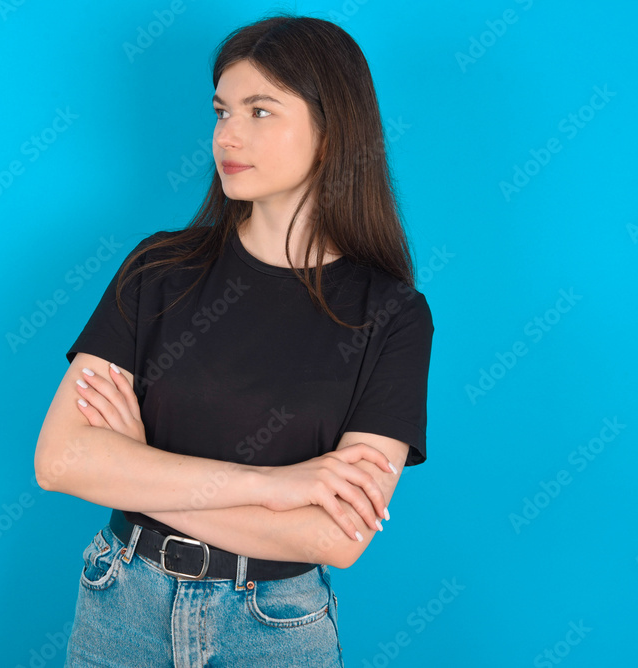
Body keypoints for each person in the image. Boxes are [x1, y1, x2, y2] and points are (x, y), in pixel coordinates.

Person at [34, 12, 434, 667]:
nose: (228, 134)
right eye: (222, 111)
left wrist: (135, 470)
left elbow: (335, 539)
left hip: (275, 627)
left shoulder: (393, 315)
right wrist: (276, 487)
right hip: (121, 605)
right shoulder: (158, 269)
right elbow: (59, 461)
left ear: (331, 131)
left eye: (260, 111)